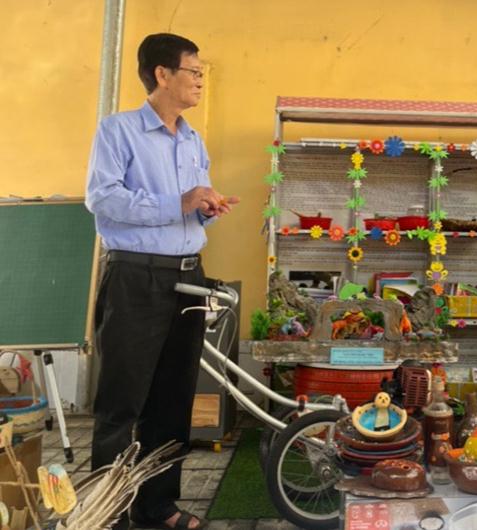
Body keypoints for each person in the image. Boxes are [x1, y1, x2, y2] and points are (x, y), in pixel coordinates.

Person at [86, 33, 239, 530]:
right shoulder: (118, 131)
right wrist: (178, 202)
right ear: (162, 74)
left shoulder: (193, 140)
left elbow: (188, 209)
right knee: (122, 402)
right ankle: (107, 514)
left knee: (173, 401)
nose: (200, 80)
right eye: (193, 71)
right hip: (136, 276)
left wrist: (206, 207)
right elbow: (102, 199)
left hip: (189, 276)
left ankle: (158, 508)